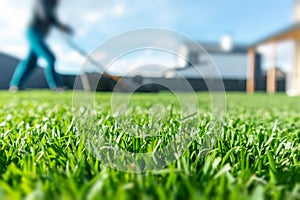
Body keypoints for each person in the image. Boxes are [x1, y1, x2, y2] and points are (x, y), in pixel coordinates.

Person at [9, 0, 73, 91]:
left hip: (38, 34)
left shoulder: (51, 6)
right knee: (50, 58)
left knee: (30, 62)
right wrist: (60, 26)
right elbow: (45, 15)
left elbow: (51, 18)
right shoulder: (43, 1)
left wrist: (63, 28)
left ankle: (15, 86)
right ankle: (56, 86)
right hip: (33, 32)